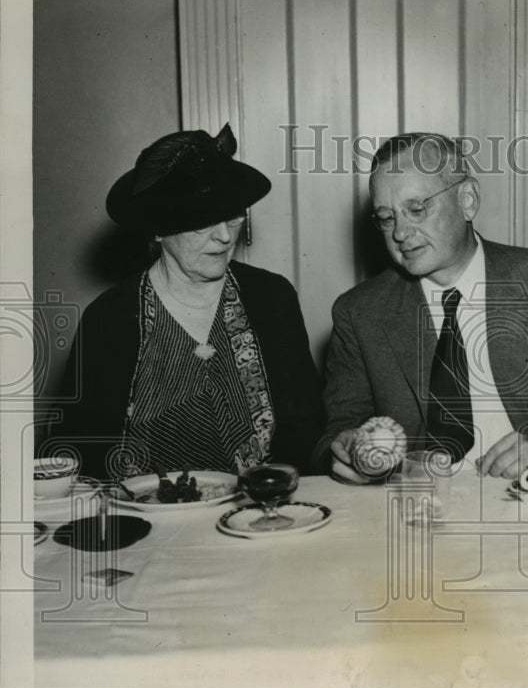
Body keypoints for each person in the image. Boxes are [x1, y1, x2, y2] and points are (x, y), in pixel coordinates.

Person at [312, 132, 528, 482]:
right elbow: (333, 435)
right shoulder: (360, 312)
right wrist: (345, 453)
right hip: (419, 502)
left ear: (468, 200)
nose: (400, 233)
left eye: (416, 209)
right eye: (386, 217)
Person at [50, 124, 324, 480]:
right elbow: (77, 455)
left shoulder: (272, 298)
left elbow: (308, 430)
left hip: (261, 506)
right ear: (158, 229)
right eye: (203, 222)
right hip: (143, 513)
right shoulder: (109, 318)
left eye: (233, 217)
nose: (224, 236)